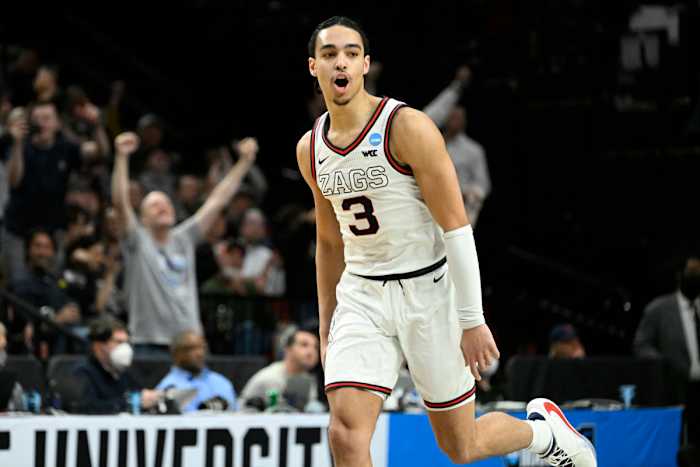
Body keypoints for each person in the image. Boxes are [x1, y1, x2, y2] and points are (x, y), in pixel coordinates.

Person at [297, 17, 596, 466]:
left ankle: (543, 434)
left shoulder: (407, 127)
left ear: (366, 65)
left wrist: (472, 320)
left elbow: (457, 227)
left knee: (461, 445)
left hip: (428, 291)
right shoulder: (310, 148)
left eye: (352, 53)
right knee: (344, 432)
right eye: (330, 54)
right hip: (363, 295)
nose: (341, 61)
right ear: (313, 67)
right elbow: (329, 241)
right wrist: (327, 324)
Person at [111, 132, 258, 355]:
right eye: (155, 206)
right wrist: (121, 157)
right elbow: (121, 204)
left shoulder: (184, 237)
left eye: (167, 204)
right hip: (149, 342)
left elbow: (218, 200)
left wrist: (244, 162)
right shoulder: (137, 240)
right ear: (143, 219)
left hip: (190, 341)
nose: (163, 207)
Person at [634, 256, 700, 447]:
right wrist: (663, 363)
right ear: (680, 276)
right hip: (676, 388)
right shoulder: (659, 309)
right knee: (679, 443)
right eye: (692, 272)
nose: (696, 277)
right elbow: (641, 345)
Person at [424, 65, 491, 225]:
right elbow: (427, 117)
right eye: (451, 116)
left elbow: (483, 185)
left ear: (465, 122)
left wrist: (467, 194)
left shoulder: (473, 150)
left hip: (458, 211)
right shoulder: (430, 142)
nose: (454, 119)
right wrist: (457, 86)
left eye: (458, 117)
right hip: (428, 209)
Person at [71, 316, 160, 414]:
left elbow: (139, 394)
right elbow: (88, 408)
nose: (125, 348)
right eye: (118, 342)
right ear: (98, 345)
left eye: (127, 342)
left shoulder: (126, 373)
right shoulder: (83, 373)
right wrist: (130, 403)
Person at [156, 330, 237, 413]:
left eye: (202, 347)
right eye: (191, 348)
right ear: (176, 353)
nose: (199, 353)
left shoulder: (222, 382)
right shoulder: (166, 388)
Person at [239, 327, 319, 410]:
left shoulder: (307, 379)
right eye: (304, 345)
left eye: (315, 347)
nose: (311, 351)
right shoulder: (272, 377)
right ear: (288, 349)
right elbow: (279, 415)